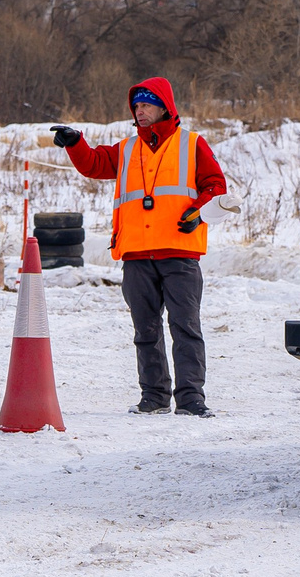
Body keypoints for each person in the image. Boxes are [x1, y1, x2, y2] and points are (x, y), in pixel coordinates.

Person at [50, 78, 227, 416]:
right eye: (136, 106)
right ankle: (154, 397)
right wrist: (76, 143)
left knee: (185, 329)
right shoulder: (128, 148)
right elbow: (95, 164)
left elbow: (215, 185)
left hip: (179, 253)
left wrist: (198, 212)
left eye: (146, 104)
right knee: (145, 331)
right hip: (136, 255)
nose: (140, 110)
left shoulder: (192, 144)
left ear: (164, 107)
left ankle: (191, 399)